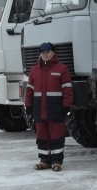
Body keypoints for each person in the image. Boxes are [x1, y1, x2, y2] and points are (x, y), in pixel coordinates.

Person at [24, 42, 73, 172]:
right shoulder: (34, 70)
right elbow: (29, 90)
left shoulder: (62, 69)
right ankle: (44, 161)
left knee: (57, 137)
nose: (45, 54)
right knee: (42, 137)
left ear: (53, 52)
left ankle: (57, 162)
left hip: (56, 109)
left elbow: (67, 90)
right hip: (39, 110)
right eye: (43, 52)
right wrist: (28, 105)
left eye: (48, 51)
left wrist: (66, 106)